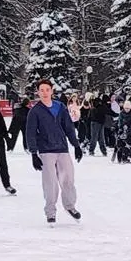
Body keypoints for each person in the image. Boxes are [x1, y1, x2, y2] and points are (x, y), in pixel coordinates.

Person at [24, 78, 83, 224]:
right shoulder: (35, 111)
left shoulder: (60, 106)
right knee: (50, 182)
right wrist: (33, 153)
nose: (44, 93)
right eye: (41, 90)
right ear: (37, 92)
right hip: (46, 150)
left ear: (52, 91)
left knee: (68, 179)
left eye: (47, 90)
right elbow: (30, 132)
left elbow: (68, 127)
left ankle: (70, 206)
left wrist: (76, 145)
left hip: (62, 148)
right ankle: (50, 212)